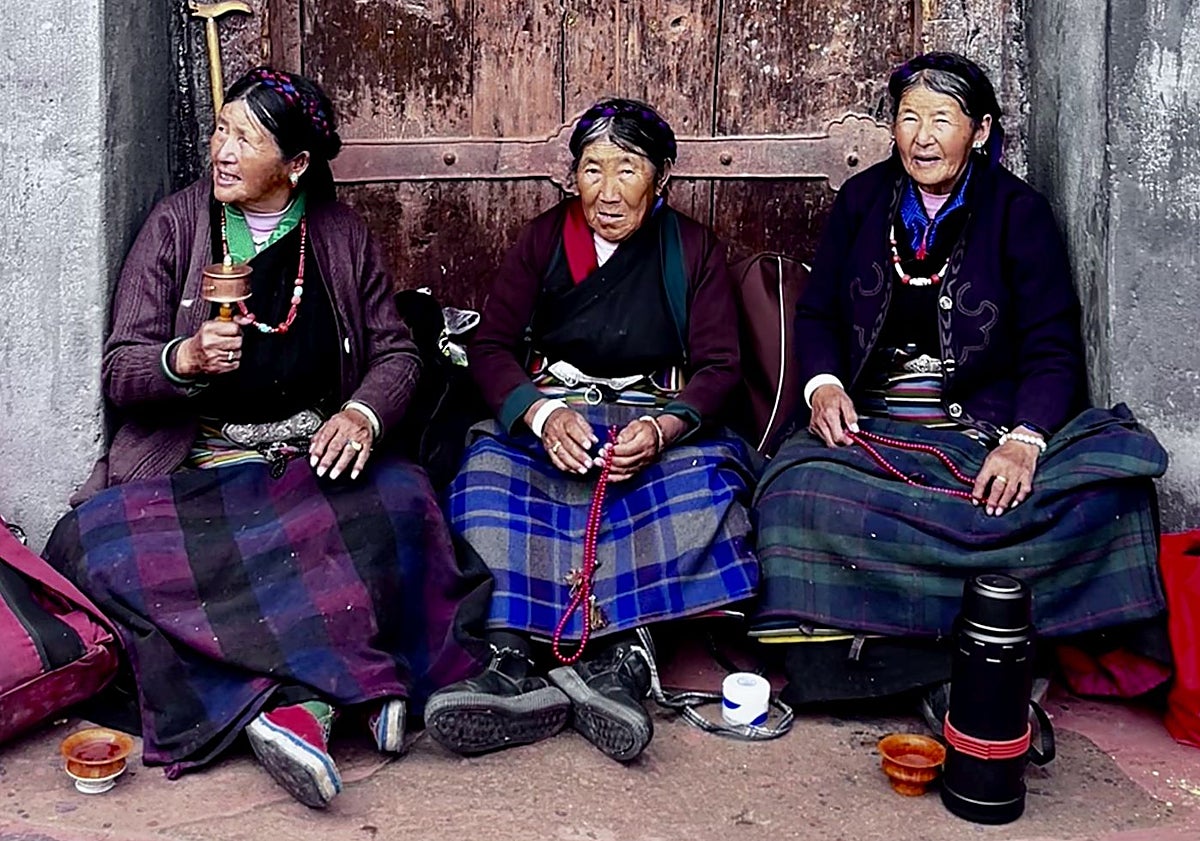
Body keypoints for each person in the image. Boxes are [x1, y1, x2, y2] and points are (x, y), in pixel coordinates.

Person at [44, 67, 491, 808]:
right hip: (206, 467)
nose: (221, 149)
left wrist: (363, 416)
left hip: (310, 462)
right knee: (88, 545)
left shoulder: (340, 237)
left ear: (297, 164)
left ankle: (305, 703)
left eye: (245, 138)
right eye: (220, 129)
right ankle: (335, 695)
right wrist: (179, 360)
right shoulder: (177, 225)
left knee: (405, 502)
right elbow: (123, 367)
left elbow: (398, 352)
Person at [752, 53, 1168, 712]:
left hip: (981, 431)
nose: (922, 136)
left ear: (977, 130)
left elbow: (1051, 344)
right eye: (908, 117)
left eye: (941, 119)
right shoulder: (863, 201)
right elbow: (820, 311)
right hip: (875, 431)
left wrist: (1026, 440)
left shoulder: (1018, 213)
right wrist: (824, 386)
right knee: (791, 493)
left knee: (1109, 494)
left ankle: (920, 659)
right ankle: (944, 666)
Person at [426, 98, 759, 762]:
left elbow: (721, 365)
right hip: (558, 413)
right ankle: (510, 662)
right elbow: (490, 346)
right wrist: (542, 415)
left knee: (709, 489)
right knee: (484, 480)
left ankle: (621, 662)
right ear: (572, 175)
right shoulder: (543, 240)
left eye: (627, 169)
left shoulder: (692, 248)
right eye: (591, 169)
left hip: (649, 417)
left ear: (661, 177)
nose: (606, 192)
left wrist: (664, 427)